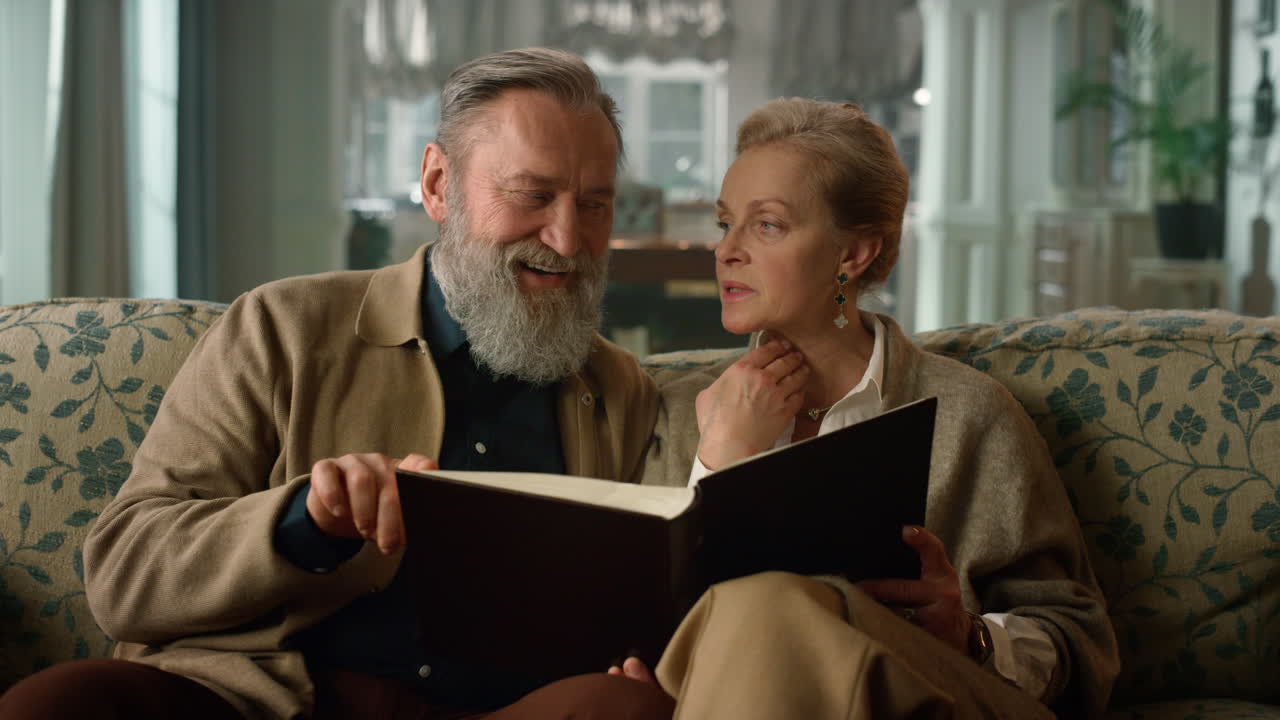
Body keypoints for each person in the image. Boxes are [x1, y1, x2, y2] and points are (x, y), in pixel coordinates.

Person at [0, 48, 674, 720]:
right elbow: (125, 576)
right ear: (439, 185)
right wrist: (305, 523)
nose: (566, 237)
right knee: (58, 704)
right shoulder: (281, 326)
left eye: (594, 204)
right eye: (533, 196)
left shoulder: (618, 387)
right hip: (253, 702)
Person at [631, 98, 1121, 719]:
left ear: (854, 254)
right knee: (761, 612)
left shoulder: (971, 413)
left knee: (772, 605)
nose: (727, 250)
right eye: (726, 223)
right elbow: (639, 628)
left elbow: (1082, 644)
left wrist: (969, 635)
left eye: (768, 225)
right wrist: (717, 461)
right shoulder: (683, 412)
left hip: (931, 697)